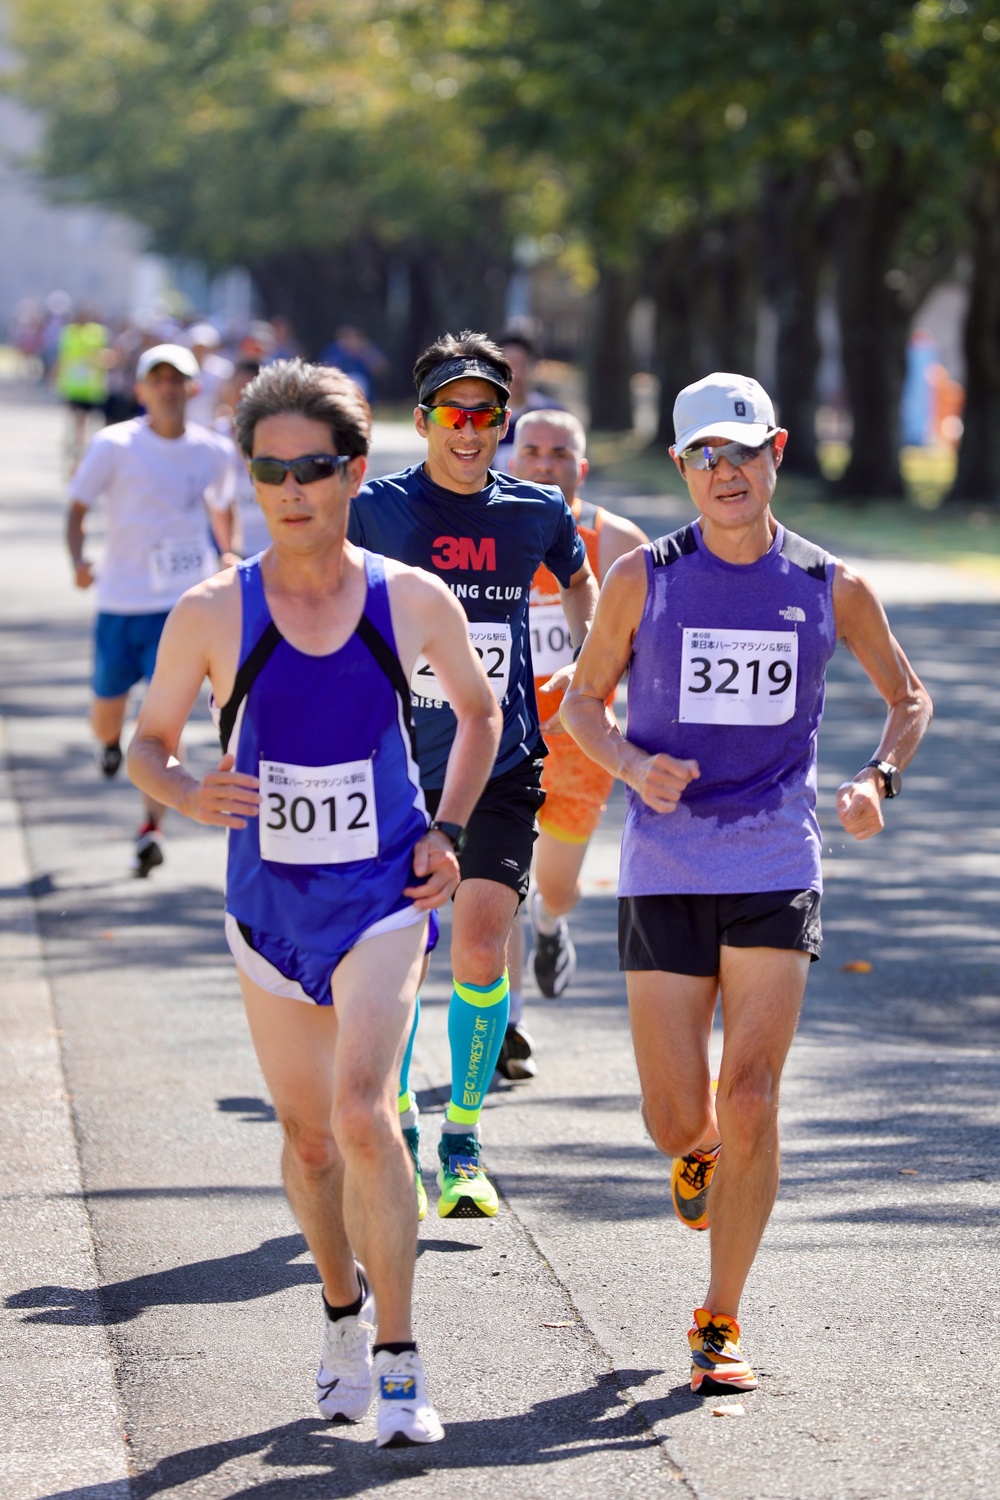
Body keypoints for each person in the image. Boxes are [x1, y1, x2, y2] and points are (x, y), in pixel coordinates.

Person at [127, 359, 501, 1446]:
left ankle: (398, 1360)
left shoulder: (407, 597)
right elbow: (145, 747)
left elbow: (478, 716)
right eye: (271, 470)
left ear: (352, 471)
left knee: (360, 1113)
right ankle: (339, 1315)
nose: (292, 489)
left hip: (383, 893)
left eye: (315, 467)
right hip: (267, 908)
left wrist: (446, 830)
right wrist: (189, 788)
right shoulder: (210, 611)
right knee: (305, 1140)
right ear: (250, 477)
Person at [561, 371, 932, 1394]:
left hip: (775, 857)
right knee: (677, 1113)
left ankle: (718, 1317)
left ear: (775, 453)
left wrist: (876, 779)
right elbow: (582, 707)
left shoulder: (829, 584)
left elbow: (907, 697)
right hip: (665, 862)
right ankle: (697, 1153)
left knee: (754, 1093)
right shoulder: (646, 577)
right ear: (682, 469)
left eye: (742, 452)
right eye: (704, 457)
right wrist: (636, 767)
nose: (726, 473)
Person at [348, 330, 599, 1219]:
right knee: (402, 959)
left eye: (486, 414)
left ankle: (462, 1139)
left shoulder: (535, 510)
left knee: (483, 944)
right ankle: (404, 1134)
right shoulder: (374, 510)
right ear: (422, 421)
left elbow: (579, 586)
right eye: (454, 414)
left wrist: (581, 671)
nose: (471, 429)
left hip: (501, 761)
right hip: (393, 766)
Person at [497, 410, 648, 1078]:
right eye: (530, 450)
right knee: (495, 883)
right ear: (510, 460)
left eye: (560, 453)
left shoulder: (616, 541)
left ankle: (551, 928)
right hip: (496, 739)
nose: (545, 463)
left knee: (552, 888)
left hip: (580, 743)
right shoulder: (480, 532)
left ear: (581, 468)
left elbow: (653, 650)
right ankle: (507, 1025)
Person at [66, 343, 238, 875]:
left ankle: (151, 829)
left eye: (176, 379)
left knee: (165, 728)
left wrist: (227, 551)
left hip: (180, 605)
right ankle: (110, 744)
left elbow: (223, 504)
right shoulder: (114, 444)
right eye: (156, 378)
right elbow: (76, 508)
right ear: (141, 389)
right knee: (106, 715)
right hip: (120, 601)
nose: (167, 387)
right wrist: (78, 559)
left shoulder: (212, 450)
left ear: (191, 388)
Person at [55, 307, 110, 471]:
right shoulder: (69, 332)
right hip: (73, 385)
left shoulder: (98, 333)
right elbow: (64, 356)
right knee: (76, 417)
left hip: (90, 385)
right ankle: (77, 444)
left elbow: (102, 355)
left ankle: (82, 444)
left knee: (86, 418)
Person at [493, 330, 557, 470]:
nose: (516, 373)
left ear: (534, 367)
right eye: (508, 366)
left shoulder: (553, 417)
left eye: (522, 364)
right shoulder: (485, 416)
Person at [185, 323, 235, 428]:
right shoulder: (182, 368)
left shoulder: (223, 370)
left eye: (203, 347)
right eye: (196, 347)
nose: (199, 351)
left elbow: (226, 400)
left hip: (212, 428)